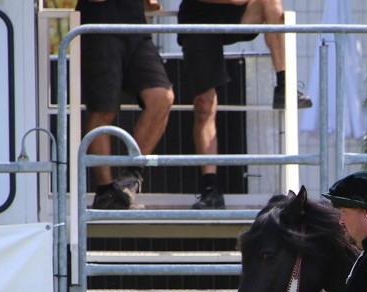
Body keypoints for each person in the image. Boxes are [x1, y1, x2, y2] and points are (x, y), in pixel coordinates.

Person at [177, 0, 312, 210]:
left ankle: (284, 84)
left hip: (233, 12)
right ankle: (211, 189)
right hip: (198, 18)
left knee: (271, 3)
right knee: (204, 105)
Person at [77, 0, 175, 209]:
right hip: (100, 25)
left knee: (162, 97)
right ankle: (105, 192)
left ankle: (131, 176)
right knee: (102, 111)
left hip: (136, 28)